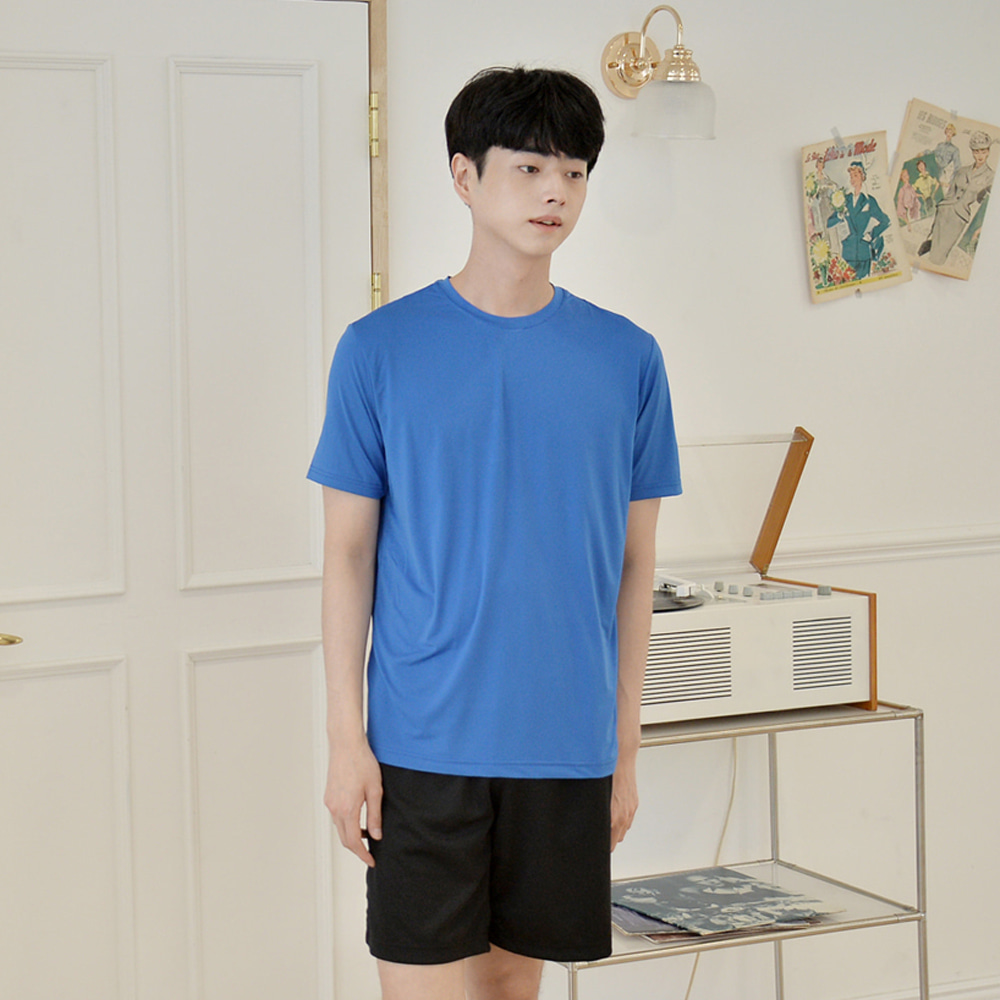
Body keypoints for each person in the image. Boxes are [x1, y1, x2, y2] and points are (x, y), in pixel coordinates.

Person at [307, 67, 682, 1000]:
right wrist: (347, 742)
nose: (556, 192)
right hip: (421, 747)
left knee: (515, 984)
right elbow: (348, 555)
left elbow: (634, 567)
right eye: (530, 168)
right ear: (464, 176)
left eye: (575, 172)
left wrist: (624, 750)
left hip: (565, 745)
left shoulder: (628, 358)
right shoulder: (378, 350)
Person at [920, 130, 994, 266]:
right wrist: (941, 207)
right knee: (934, 247)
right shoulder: (962, 171)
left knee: (940, 254)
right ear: (972, 152)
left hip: (960, 217)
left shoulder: (991, 176)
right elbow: (950, 193)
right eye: (976, 152)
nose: (980, 155)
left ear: (988, 152)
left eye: (983, 151)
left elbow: (984, 202)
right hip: (944, 211)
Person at [827, 160, 889, 280]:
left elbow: (886, 221)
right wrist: (839, 216)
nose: (852, 179)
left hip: (863, 252)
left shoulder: (869, 200)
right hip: (848, 252)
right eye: (851, 176)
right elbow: (829, 223)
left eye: (855, 175)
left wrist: (871, 235)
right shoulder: (845, 200)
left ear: (862, 176)